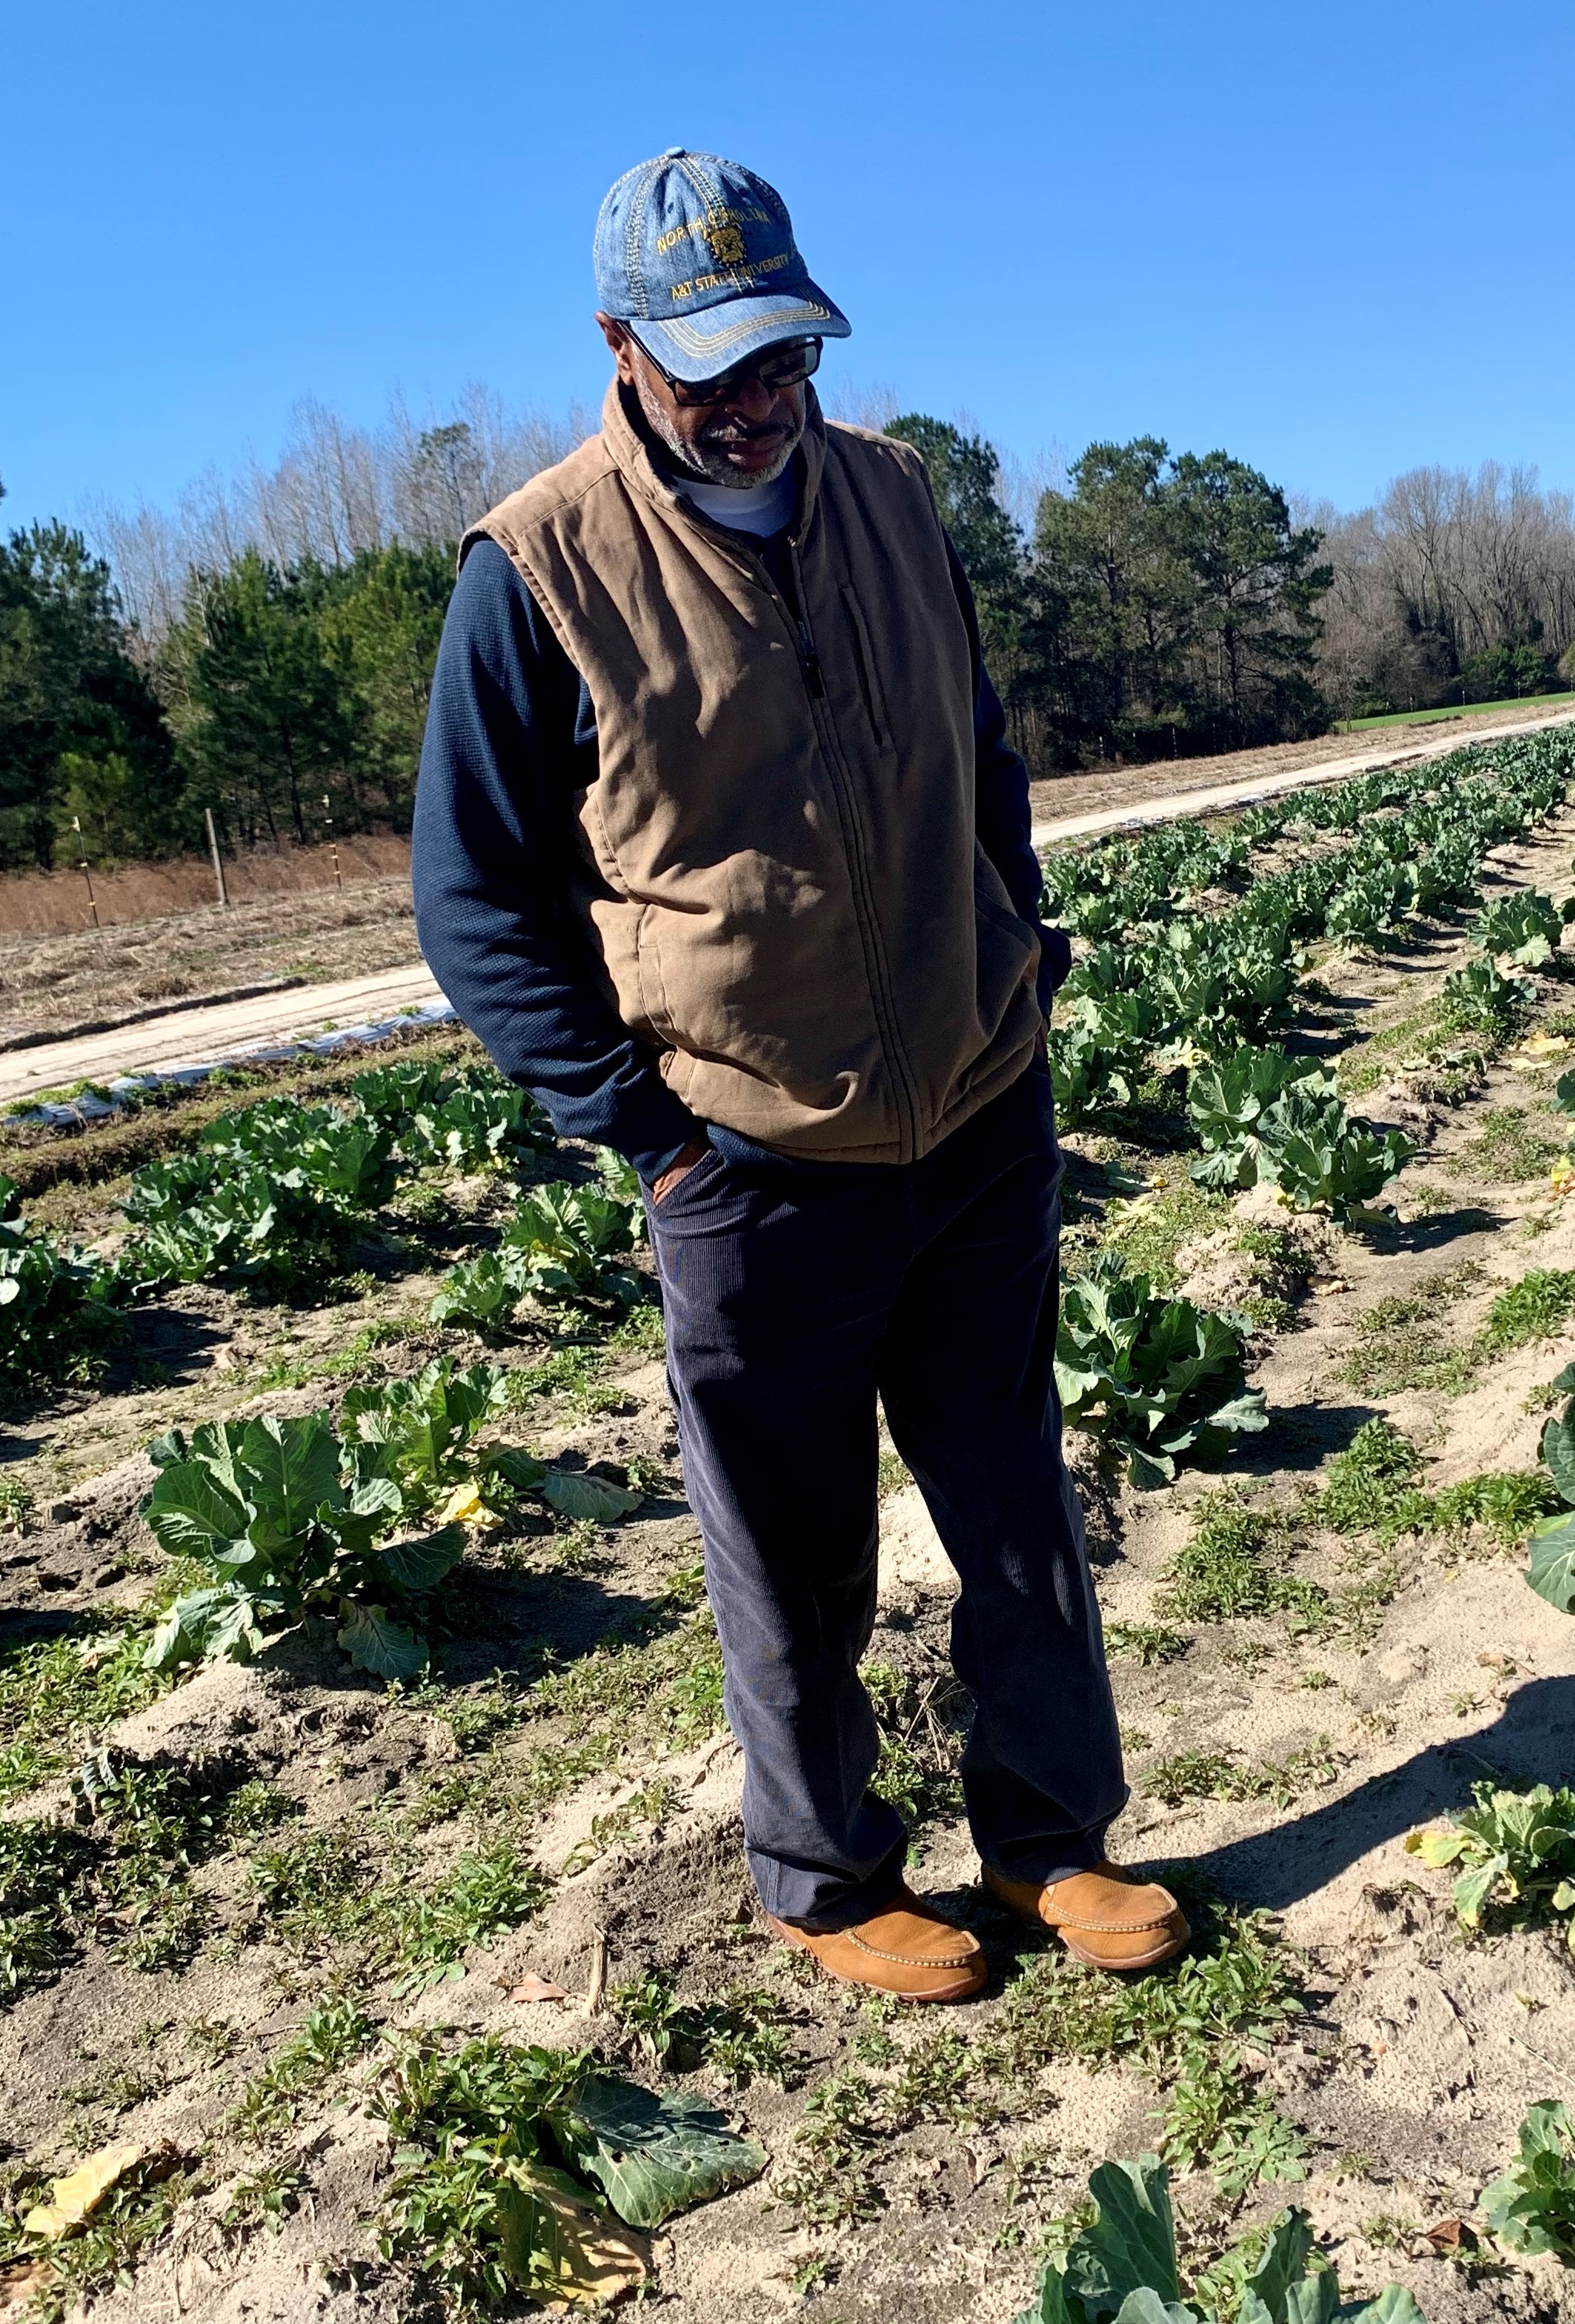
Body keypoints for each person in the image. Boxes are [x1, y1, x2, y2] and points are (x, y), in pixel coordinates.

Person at [411, 148, 1187, 2002]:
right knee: (793, 1547)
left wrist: (1021, 937)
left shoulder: (895, 496)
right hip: (748, 1150)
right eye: (713, 372)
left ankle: (1050, 1843)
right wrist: (646, 1136)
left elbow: (977, 747)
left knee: (1012, 1494)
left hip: (977, 1100)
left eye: (787, 359)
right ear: (617, 348)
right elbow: (473, 900)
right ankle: (825, 1877)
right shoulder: (537, 573)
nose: (759, 406)